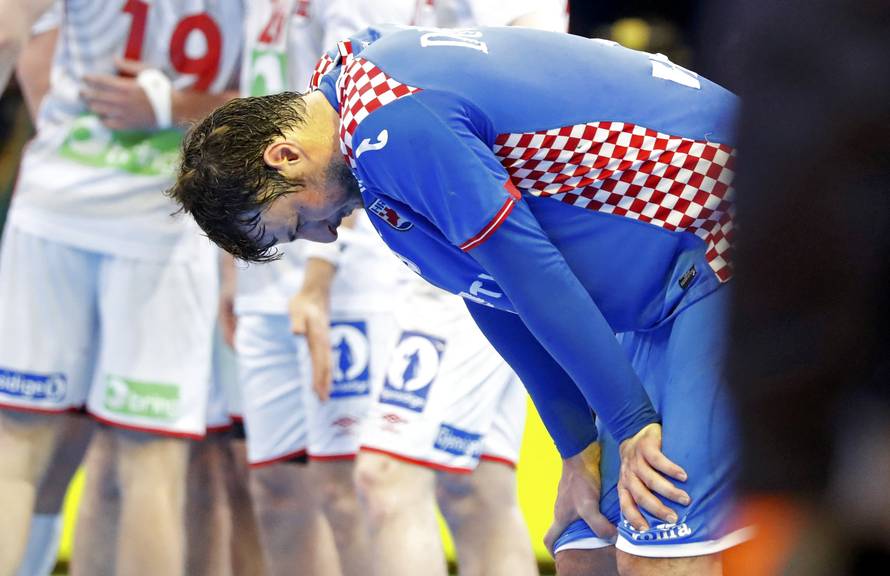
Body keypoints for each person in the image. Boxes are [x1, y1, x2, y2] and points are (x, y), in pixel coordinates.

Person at [170, 24, 746, 576]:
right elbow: (491, 294)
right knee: (585, 548)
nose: (323, 237)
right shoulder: (362, 132)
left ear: (284, 155)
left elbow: (530, 270)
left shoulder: (390, 119)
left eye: (296, 222)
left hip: (727, 228)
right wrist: (577, 451)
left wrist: (630, 422)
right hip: (665, 285)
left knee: (661, 542)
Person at [233, 2, 536, 574]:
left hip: (402, 246)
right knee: (463, 486)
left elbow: (345, 130)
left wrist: (318, 277)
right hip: (316, 246)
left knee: (386, 481)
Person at [0, 1, 243, 574]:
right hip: (163, 226)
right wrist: (175, 106)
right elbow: (276, 94)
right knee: (150, 462)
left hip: (57, 205)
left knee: (17, 448)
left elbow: (8, 34)